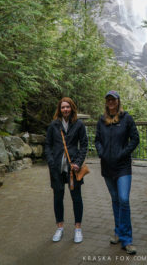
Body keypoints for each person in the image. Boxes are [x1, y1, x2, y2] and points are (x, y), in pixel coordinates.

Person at [95, 90, 139, 255]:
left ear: (118, 101)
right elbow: (97, 140)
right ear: (106, 103)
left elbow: (135, 139)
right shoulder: (101, 121)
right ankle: (118, 232)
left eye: (113, 99)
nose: (111, 102)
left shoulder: (126, 118)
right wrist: (102, 153)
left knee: (123, 199)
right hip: (107, 167)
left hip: (123, 167)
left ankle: (127, 240)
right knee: (115, 199)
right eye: (108, 100)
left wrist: (123, 153)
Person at [45, 97, 88, 243]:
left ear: (72, 108)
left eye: (67, 107)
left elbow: (84, 145)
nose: (65, 109)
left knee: (76, 198)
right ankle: (60, 227)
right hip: (56, 169)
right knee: (58, 198)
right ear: (59, 109)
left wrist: (78, 162)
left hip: (73, 169)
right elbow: (48, 146)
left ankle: (77, 229)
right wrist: (51, 163)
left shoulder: (79, 125)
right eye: (63, 107)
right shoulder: (53, 125)